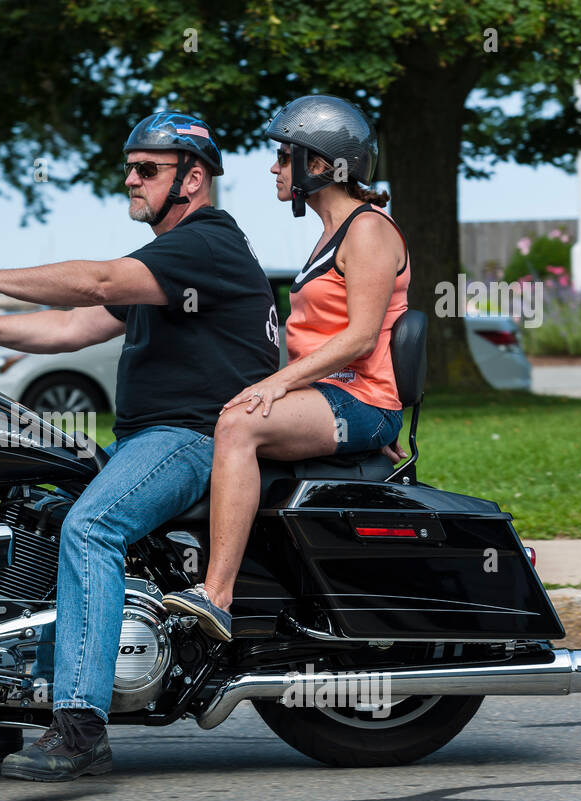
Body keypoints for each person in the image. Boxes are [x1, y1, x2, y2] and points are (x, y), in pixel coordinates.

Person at [0, 112, 280, 781]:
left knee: (92, 527)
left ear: (192, 178)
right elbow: (71, 326)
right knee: (31, 506)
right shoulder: (170, 264)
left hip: (191, 441)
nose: (131, 180)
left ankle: (82, 725)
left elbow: (101, 283)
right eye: (130, 168)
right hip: (146, 439)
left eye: (148, 170)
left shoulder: (206, 244)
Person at [162, 94, 409, 641]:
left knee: (240, 421)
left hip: (359, 398)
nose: (275, 169)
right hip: (343, 400)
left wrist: (275, 386)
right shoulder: (332, 232)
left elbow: (361, 336)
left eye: (283, 157)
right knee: (223, 415)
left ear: (318, 164)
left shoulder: (367, 230)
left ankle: (217, 595)